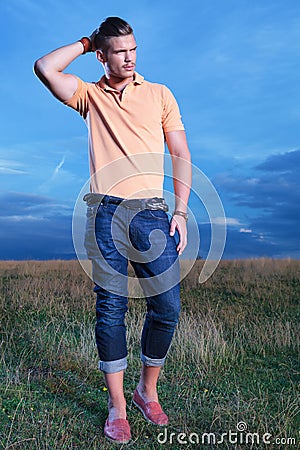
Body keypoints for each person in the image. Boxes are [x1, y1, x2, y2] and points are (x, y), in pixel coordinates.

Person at [34, 16, 191, 444]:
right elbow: (46, 67)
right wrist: (87, 42)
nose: (130, 57)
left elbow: (178, 151)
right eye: (120, 50)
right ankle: (117, 406)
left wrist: (179, 211)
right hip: (104, 213)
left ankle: (146, 390)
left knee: (168, 306)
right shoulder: (89, 96)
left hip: (153, 213)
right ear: (102, 56)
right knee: (111, 311)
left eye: (134, 49)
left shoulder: (159, 94)